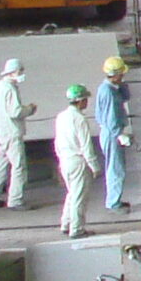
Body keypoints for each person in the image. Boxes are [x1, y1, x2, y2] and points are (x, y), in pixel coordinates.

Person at [0, 58, 31, 210]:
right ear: (12, 72)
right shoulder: (10, 89)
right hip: (11, 132)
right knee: (18, 166)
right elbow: (15, 112)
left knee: (2, 163)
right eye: (20, 71)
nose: (21, 74)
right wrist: (29, 109)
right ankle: (15, 200)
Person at [53, 85, 98, 239]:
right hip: (78, 161)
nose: (87, 102)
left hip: (65, 160)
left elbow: (57, 142)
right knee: (79, 197)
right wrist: (94, 165)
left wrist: (59, 159)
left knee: (72, 194)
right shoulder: (80, 119)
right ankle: (77, 229)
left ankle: (66, 224)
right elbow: (86, 145)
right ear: (80, 101)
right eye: (86, 99)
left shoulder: (61, 117)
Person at [95, 56, 131, 210]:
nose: (123, 76)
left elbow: (126, 97)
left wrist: (123, 85)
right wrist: (119, 134)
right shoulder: (108, 93)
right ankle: (113, 202)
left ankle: (115, 200)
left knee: (115, 167)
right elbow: (111, 117)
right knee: (115, 169)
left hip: (110, 132)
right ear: (115, 75)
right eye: (121, 74)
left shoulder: (112, 88)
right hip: (111, 133)